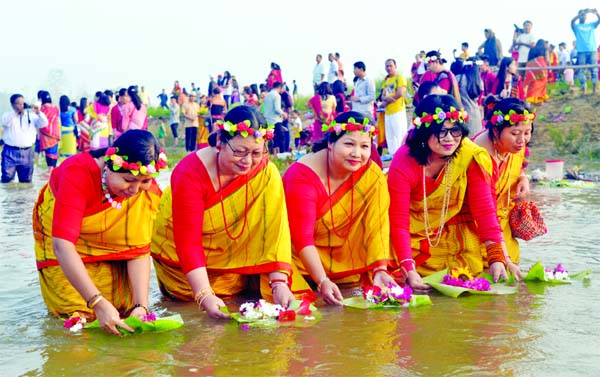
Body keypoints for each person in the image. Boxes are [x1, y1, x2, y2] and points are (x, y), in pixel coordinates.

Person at [151, 105, 293, 319]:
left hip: (237, 266)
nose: (247, 161)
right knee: (190, 311)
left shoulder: (265, 172)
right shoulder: (189, 172)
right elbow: (187, 241)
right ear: (219, 141)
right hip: (183, 269)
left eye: (256, 152)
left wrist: (279, 284)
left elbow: (274, 232)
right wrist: (204, 294)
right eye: (239, 152)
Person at [32, 130, 167, 335]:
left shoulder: (141, 188)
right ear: (109, 166)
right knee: (77, 321)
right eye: (129, 180)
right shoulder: (77, 174)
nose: (135, 190)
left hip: (115, 249)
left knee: (125, 313)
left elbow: (137, 248)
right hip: (66, 246)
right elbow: (62, 246)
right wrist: (96, 301)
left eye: (144, 181)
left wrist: (142, 305)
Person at [388, 94, 509, 290]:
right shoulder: (404, 161)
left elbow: (484, 208)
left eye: (455, 131)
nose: (449, 139)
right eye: (441, 132)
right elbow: (399, 221)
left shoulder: (468, 154)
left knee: (471, 272)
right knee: (393, 274)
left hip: (450, 230)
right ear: (424, 132)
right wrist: (408, 268)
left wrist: (496, 256)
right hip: (411, 235)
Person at [283, 111, 395, 304]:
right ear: (330, 143)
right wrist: (323, 280)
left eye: (364, 146)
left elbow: (378, 226)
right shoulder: (301, 176)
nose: (357, 154)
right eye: (349, 144)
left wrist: (380, 269)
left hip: (347, 263)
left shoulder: (372, 174)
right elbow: (302, 238)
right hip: (301, 263)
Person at [474, 97, 534, 279]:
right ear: (495, 130)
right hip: (477, 224)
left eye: (527, 132)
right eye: (515, 133)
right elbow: (484, 209)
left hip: (502, 222)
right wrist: (502, 257)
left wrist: (523, 177)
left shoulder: (515, 146)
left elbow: (518, 164)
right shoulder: (480, 154)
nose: (522, 140)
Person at [1, 94, 49, 183]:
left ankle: (23, 197)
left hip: (27, 153)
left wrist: (38, 112)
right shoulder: (7, 115)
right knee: (7, 181)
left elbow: (44, 123)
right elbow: (5, 123)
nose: (21, 105)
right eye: (18, 103)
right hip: (10, 153)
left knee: (26, 182)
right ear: (12, 105)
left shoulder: (31, 116)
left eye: (23, 103)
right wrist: (16, 113)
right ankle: (9, 197)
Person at [379, 58, 408, 155]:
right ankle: (393, 156)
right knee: (390, 136)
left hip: (398, 110)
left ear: (395, 66)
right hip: (388, 112)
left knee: (400, 135)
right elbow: (382, 96)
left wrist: (388, 101)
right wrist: (387, 100)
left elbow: (400, 93)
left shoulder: (399, 78)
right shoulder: (386, 80)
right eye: (387, 66)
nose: (388, 68)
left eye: (391, 66)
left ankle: (403, 155)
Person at [571, 8, 600, 95]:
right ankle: (584, 89)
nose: (584, 16)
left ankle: (594, 89)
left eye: (584, 15)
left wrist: (596, 13)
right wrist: (578, 15)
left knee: (594, 70)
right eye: (582, 15)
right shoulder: (576, 26)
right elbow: (571, 22)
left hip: (592, 50)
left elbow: (599, 20)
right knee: (582, 71)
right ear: (579, 16)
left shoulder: (591, 25)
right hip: (581, 51)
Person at [455, 58, 484, 137]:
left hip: (463, 114)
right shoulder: (480, 81)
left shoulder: (458, 78)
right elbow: (480, 101)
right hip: (476, 116)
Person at [38, 91, 61, 174]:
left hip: (46, 135)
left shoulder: (42, 107)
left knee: (48, 158)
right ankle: (53, 175)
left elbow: (39, 120)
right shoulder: (56, 107)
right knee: (53, 156)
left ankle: (48, 179)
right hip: (55, 135)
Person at [263, 82, 287, 154]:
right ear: (279, 87)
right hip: (275, 120)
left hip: (268, 120)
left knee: (272, 138)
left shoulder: (267, 95)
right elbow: (277, 109)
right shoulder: (277, 96)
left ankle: (272, 154)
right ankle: (282, 154)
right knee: (281, 137)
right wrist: (284, 113)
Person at [524, 39, 550, 104]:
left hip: (531, 68)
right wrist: (549, 67)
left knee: (533, 84)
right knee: (541, 84)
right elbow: (547, 59)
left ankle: (531, 100)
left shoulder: (532, 49)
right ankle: (540, 100)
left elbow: (528, 59)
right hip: (542, 67)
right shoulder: (545, 49)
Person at [58, 95, 78, 159]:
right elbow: (76, 120)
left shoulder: (59, 111)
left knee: (63, 147)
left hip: (62, 131)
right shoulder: (72, 109)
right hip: (71, 131)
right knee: (71, 148)